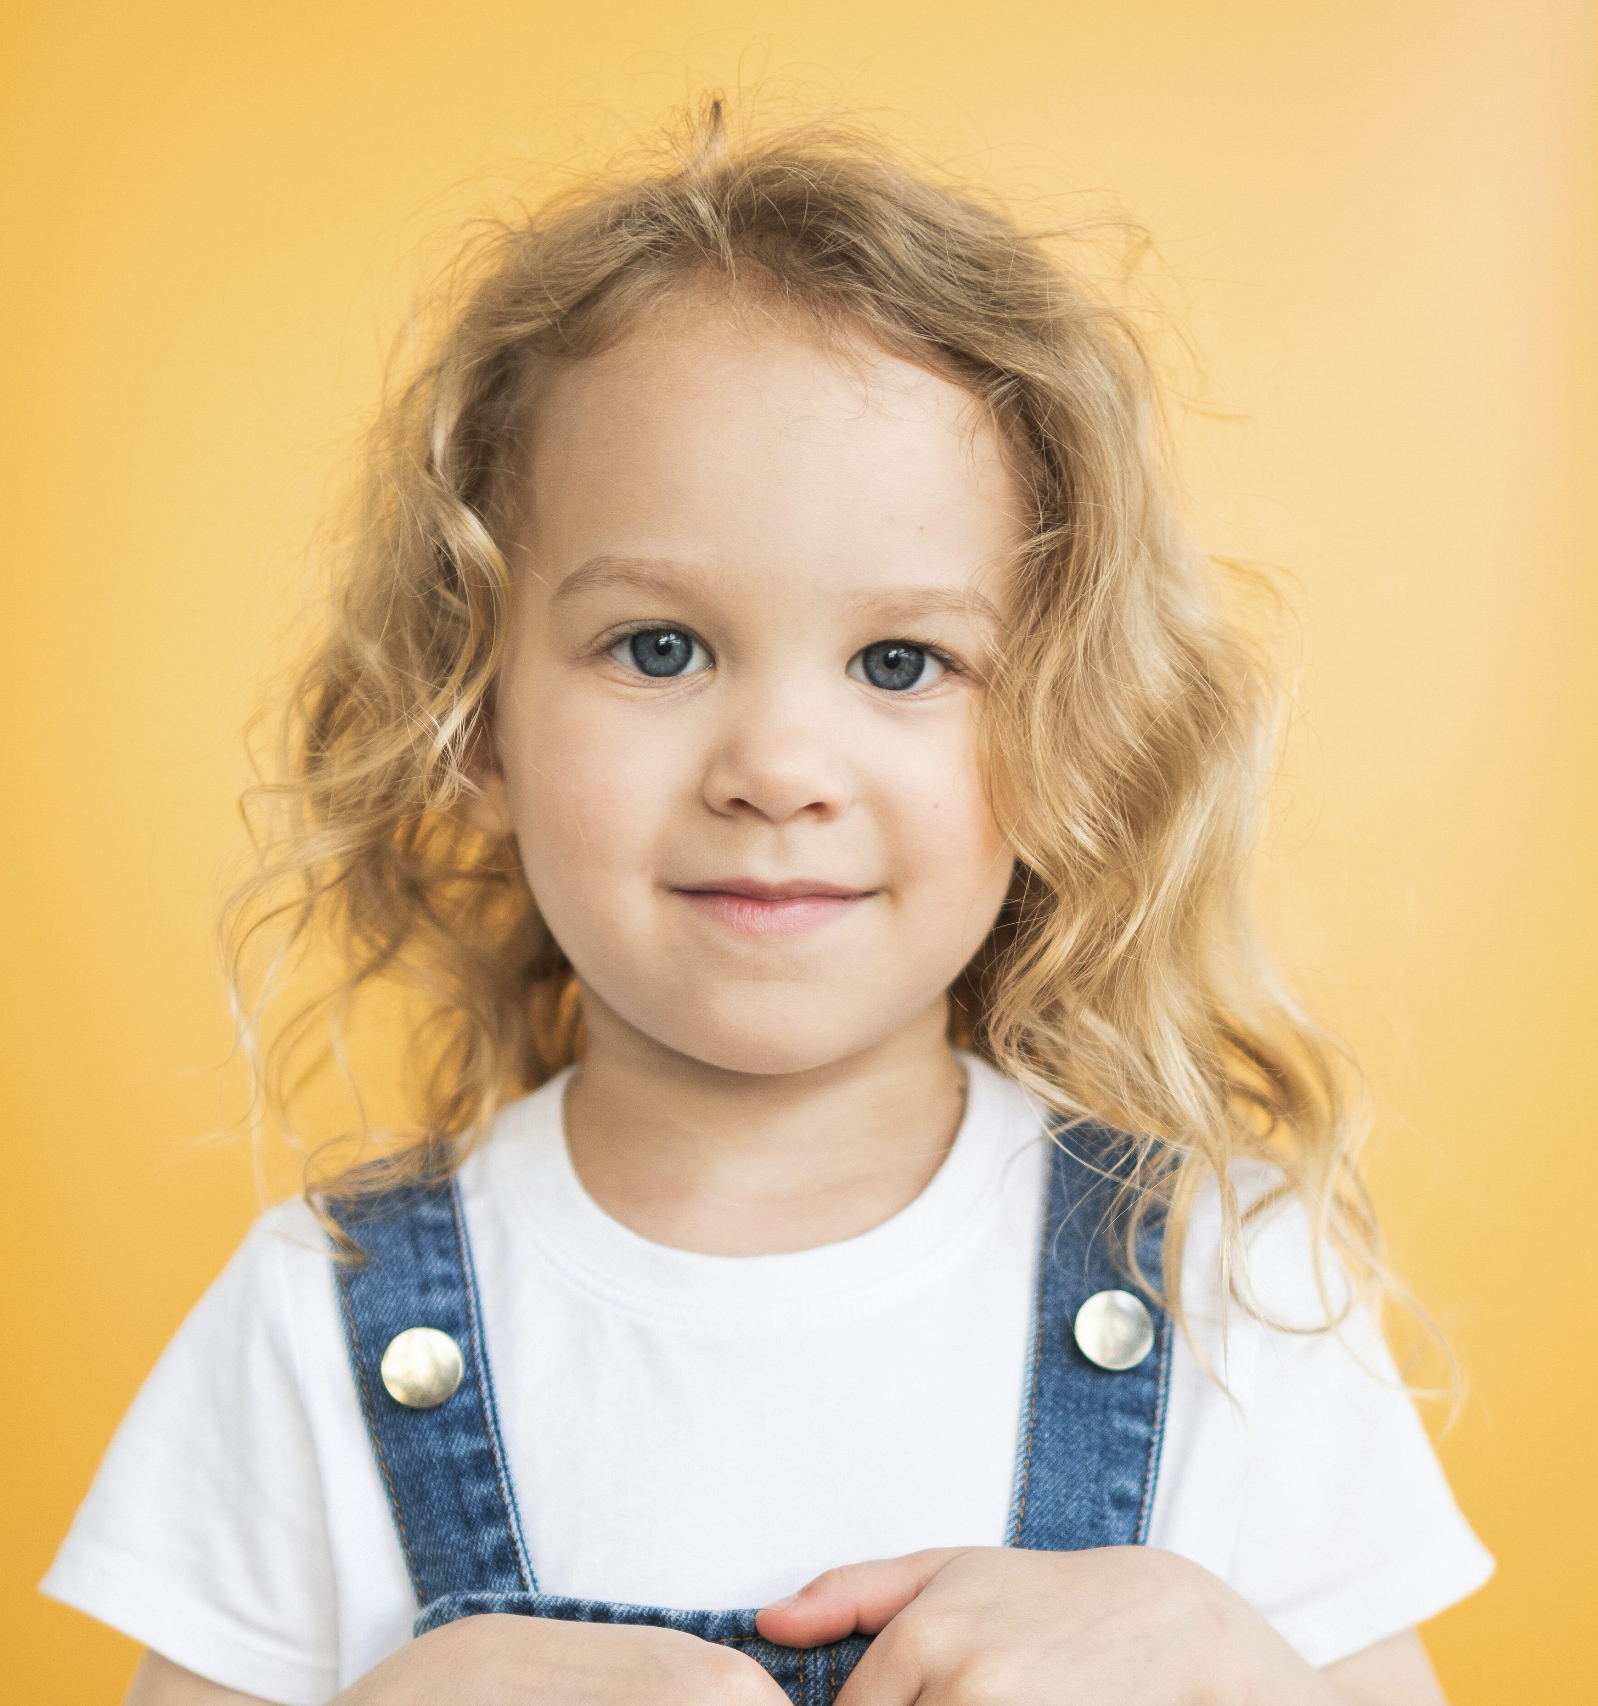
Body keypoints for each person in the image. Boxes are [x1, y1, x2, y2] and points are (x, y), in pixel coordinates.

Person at [43, 102, 1492, 1706]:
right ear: (472, 724)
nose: (778, 767)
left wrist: (1240, 1673)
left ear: (1065, 731)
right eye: (657, 646)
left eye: (900, 662)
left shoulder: (1221, 1284)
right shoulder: (310, 1323)